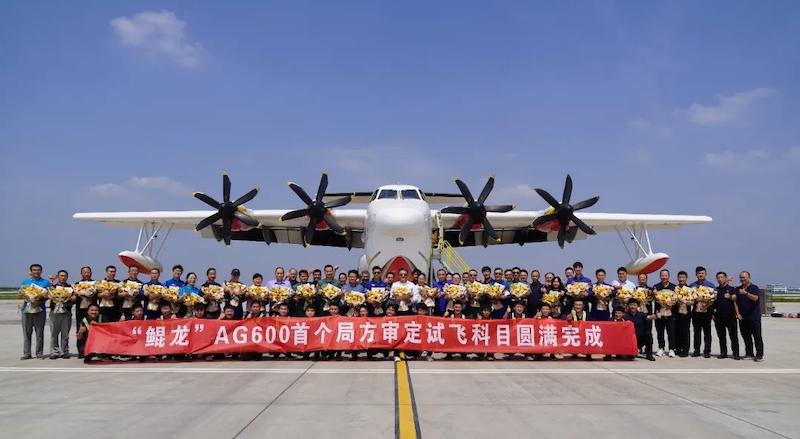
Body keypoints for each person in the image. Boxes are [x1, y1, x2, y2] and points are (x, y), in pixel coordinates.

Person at [20, 263, 50, 360]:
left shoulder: (46, 282)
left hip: (40, 310)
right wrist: (23, 295)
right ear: (31, 271)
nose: (36, 271)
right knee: (27, 333)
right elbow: (21, 294)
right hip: (26, 310)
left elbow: (48, 296)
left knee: (39, 332)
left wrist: (39, 301)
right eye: (34, 270)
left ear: (41, 271)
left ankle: (39, 353)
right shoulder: (25, 281)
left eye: (38, 270)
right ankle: (27, 353)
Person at [737, 271, 764, 361]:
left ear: (749, 278)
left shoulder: (754, 287)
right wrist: (737, 313)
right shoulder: (738, 289)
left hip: (754, 317)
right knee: (746, 337)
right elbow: (735, 302)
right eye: (741, 277)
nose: (742, 279)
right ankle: (749, 353)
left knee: (757, 337)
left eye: (744, 277)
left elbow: (756, 298)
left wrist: (746, 293)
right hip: (743, 318)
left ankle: (759, 355)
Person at [714, 271, 740, 360]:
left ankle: (736, 353)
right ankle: (723, 352)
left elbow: (735, 298)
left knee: (733, 336)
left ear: (725, 278)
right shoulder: (715, 290)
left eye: (722, 277)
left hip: (730, 317)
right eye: (718, 277)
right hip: (719, 317)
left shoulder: (732, 289)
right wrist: (713, 315)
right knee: (721, 336)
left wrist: (730, 297)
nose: (720, 279)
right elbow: (712, 303)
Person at [690, 266, 714, 358]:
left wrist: (706, 301)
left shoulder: (711, 285)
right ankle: (696, 350)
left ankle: (707, 351)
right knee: (697, 332)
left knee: (707, 333)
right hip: (696, 312)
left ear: (706, 274)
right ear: (696, 274)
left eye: (702, 273)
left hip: (706, 312)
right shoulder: (692, 285)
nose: (700, 275)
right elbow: (689, 297)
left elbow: (713, 299)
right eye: (699, 273)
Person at [49, 269, 73, 359]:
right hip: (54, 312)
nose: (63, 277)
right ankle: (54, 352)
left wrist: (68, 299)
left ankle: (64, 351)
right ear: (58, 277)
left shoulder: (70, 288)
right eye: (61, 276)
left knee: (65, 333)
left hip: (66, 312)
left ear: (67, 277)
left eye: (65, 276)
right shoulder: (52, 287)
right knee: (54, 333)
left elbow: (74, 299)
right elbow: (48, 295)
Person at [653, 269, 677, 358]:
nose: (664, 277)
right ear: (660, 276)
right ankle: (661, 348)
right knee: (660, 332)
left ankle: (671, 349)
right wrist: (656, 312)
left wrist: (672, 303)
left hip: (671, 314)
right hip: (660, 313)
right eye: (662, 275)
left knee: (671, 331)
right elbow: (655, 302)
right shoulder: (656, 287)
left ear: (668, 276)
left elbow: (676, 300)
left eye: (665, 275)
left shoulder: (674, 287)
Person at [674, 271, 691, 357]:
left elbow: (693, 300)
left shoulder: (689, 289)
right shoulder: (675, 288)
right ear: (677, 278)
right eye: (680, 277)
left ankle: (685, 350)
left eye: (683, 277)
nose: (681, 279)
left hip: (686, 313)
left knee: (685, 331)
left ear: (686, 278)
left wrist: (690, 302)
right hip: (676, 313)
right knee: (677, 330)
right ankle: (677, 348)